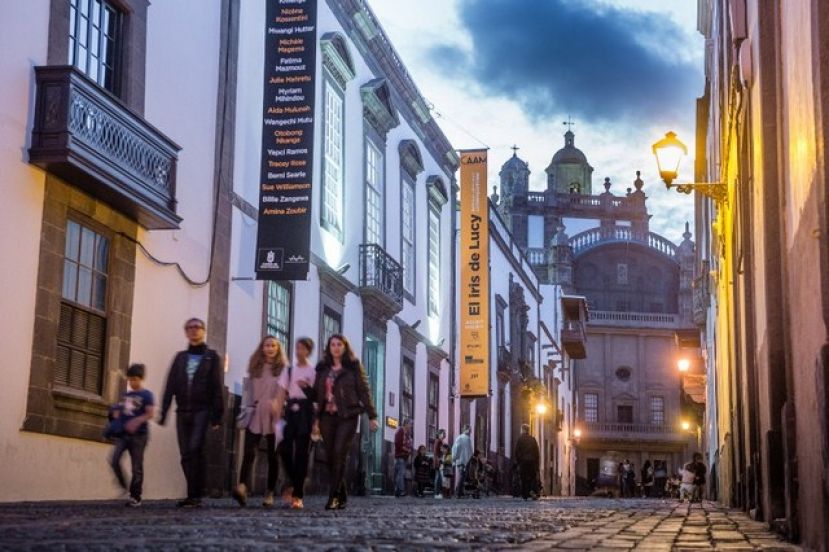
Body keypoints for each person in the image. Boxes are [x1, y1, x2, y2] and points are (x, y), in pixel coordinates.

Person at [159, 318, 224, 508]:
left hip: (202, 410)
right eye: (190, 328)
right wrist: (163, 411)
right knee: (186, 454)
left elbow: (216, 387)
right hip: (183, 411)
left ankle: (195, 494)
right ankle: (193, 493)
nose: (194, 330)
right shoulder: (180, 358)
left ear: (204, 331)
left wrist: (217, 416)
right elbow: (170, 385)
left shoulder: (211, 357)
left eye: (197, 327)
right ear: (186, 332)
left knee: (195, 448)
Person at [310, 334, 379, 510]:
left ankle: (333, 497)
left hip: (347, 416)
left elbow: (364, 391)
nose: (336, 347)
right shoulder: (322, 368)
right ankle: (342, 493)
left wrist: (372, 415)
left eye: (339, 344)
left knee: (340, 453)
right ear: (329, 348)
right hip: (326, 417)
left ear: (345, 347)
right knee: (330, 457)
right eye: (332, 344)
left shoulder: (353, 367)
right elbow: (316, 393)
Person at [232, 335, 286, 508]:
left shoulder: (283, 369)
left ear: (278, 349)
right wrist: (246, 407)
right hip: (255, 414)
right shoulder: (255, 367)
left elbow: (286, 392)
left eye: (273, 346)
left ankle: (269, 492)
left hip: (274, 416)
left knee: (273, 456)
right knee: (249, 452)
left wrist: (278, 404)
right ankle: (241, 486)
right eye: (267, 345)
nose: (270, 348)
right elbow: (248, 390)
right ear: (262, 348)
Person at [277, 337, 316, 510]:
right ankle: (294, 480)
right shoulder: (289, 371)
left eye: (302, 348)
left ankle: (298, 495)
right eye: (297, 348)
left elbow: (316, 398)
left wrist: (317, 422)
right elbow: (281, 391)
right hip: (290, 411)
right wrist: (278, 410)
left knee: (302, 454)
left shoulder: (312, 372)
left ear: (308, 351)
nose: (298, 351)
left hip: (306, 411)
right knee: (284, 448)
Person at [109, 363, 155, 507]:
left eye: (135, 379)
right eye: (130, 380)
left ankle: (135, 496)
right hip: (124, 434)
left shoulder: (147, 395)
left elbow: (150, 414)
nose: (132, 383)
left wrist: (137, 421)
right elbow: (122, 413)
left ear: (141, 379)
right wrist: (115, 414)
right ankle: (124, 486)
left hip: (139, 435)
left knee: (136, 467)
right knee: (114, 459)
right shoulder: (126, 396)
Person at [514, 423, 540, 500]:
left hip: (523, 462)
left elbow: (517, 451)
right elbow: (536, 452)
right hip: (532, 462)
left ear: (523, 430)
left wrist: (518, 461)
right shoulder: (533, 439)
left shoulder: (520, 440)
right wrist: (537, 464)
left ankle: (525, 494)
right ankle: (532, 491)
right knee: (532, 477)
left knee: (523, 478)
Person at [452, 425, 473, 498]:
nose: (471, 431)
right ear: (466, 430)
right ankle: (459, 492)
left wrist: (455, 458)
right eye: (470, 430)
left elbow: (455, 449)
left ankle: (460, 492)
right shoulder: (466, 438)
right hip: (463, 460)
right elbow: (469, 451)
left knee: (462, 476)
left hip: (459, 460)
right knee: (462, 476)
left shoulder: (459, 438)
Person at [394, 419, 413, 497]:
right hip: (400, 455)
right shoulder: (400, 431)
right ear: (405, 424)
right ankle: (400, 490)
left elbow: (409, 443)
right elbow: (398, 443)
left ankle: (398, 490)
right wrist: (406, 449)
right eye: (410, 424)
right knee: (400, 474)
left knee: (401, 473)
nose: (411, 426)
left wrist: (409, 451)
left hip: (404, 456)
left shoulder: (407, 433)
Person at [433, 429, 446, 498]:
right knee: (438, 478)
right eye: (443, 433)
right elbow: (437, 452)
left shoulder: (440, 441)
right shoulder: (438, 441)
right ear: (439, 434)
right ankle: (436, 493)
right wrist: (440, 460)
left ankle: (437, 493)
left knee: (439, 477)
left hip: (439, 460)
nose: (444, 434)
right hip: (438, 461)